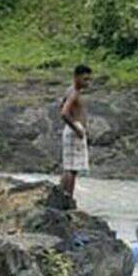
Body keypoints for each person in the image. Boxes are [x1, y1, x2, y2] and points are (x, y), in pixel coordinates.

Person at [60, 65, 92, 198]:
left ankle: (62, 196)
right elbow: (64, 113)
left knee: (69, 167)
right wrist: (77, 128)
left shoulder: (70, 91)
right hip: (74, 130)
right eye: (85, 79)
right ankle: (68, 197)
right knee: (72, 169)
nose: (87, 82)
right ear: (76, 77)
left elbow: (61, 106)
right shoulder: (74, 92)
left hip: (71, 129)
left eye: (89, 79)